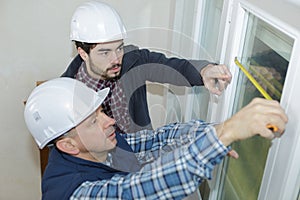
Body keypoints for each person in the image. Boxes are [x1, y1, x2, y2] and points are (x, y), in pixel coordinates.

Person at [24, 78, 288, 200]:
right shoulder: (74, 193)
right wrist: (225, 134)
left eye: (102, 112)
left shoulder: (101, 147)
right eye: (94, 121)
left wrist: (217, 130)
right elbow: (136, 190)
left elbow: (160, 138)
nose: (110, 121)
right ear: (68, 145)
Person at [62, 1, 232, 133]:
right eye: (105, 52)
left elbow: (172, 68)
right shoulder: (66, 94)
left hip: (141, 154)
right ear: (83, 54)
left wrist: (204, 71)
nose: (116, 59)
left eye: (119, 48)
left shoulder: (133, 60)